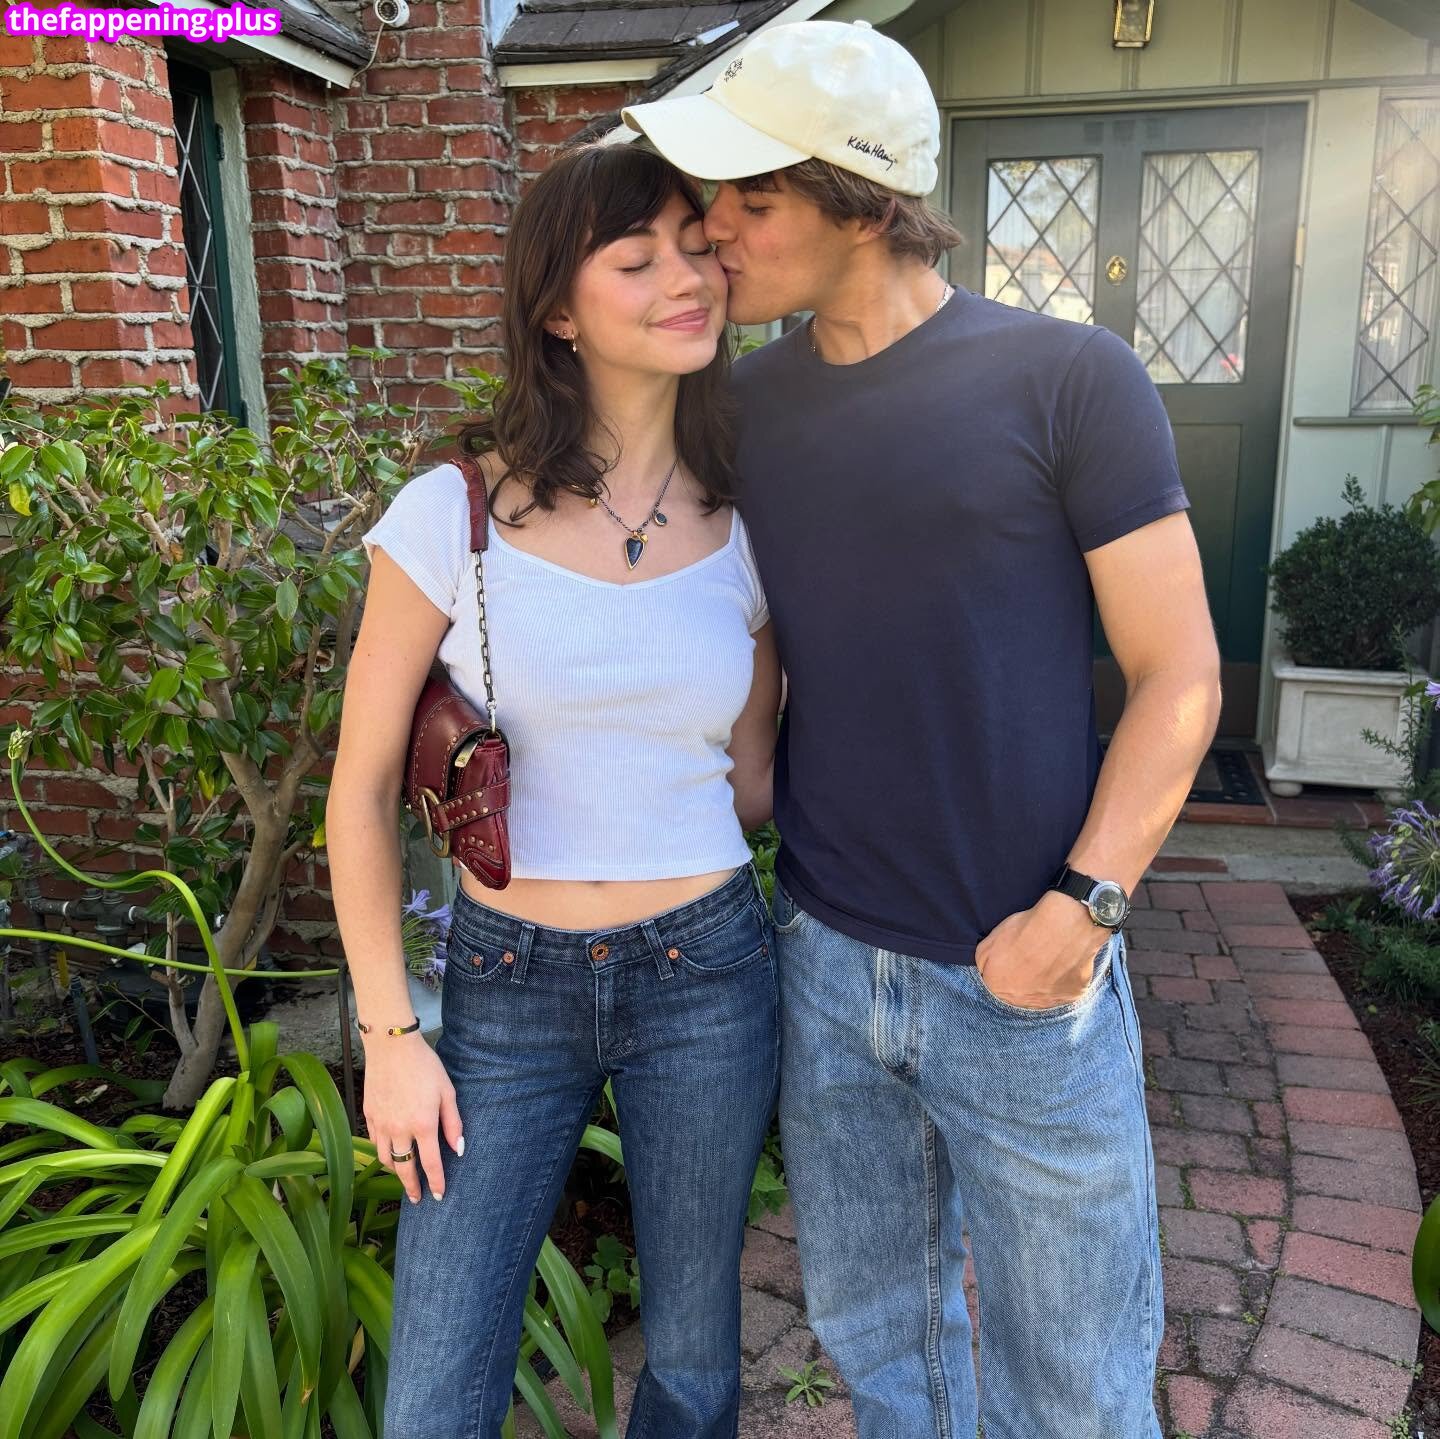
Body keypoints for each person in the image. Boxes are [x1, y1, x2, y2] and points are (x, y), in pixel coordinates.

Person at [624, 19, 1221, 1439]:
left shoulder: (1070, 380)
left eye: (750, 196)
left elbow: (1180, 673)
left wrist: (1083, 910)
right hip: (829, 961)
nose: (712, 230)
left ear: (862, 199)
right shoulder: (738, 410)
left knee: (1074, 1389)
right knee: (884, 1357)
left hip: (1024, 973)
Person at [325, 142, 782, 1439]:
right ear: (558, 312)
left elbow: (751, 781)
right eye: (637, 260)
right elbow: (358, 792)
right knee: (435, 1390)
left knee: (693, 1362)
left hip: (708, 976)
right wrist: (390, 1039)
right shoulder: (452, 515)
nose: (687, 278)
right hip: (504, 987)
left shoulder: (751, 519)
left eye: (696, 248)